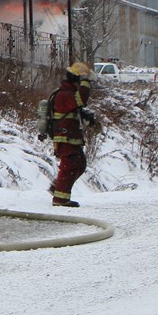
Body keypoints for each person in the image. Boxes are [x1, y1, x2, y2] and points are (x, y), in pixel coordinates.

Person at [49, 61, 98, 207]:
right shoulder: (64, 94)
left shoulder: (68, 93)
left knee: (80, 164)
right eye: (81, 80)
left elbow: (75, 107)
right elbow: (81, 99)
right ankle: (60, 199)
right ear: (76, 79)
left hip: (71, 136)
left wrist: (86, 116)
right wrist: (85, 82)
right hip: (65, 136)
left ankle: (57, 188)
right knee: (70, 166)